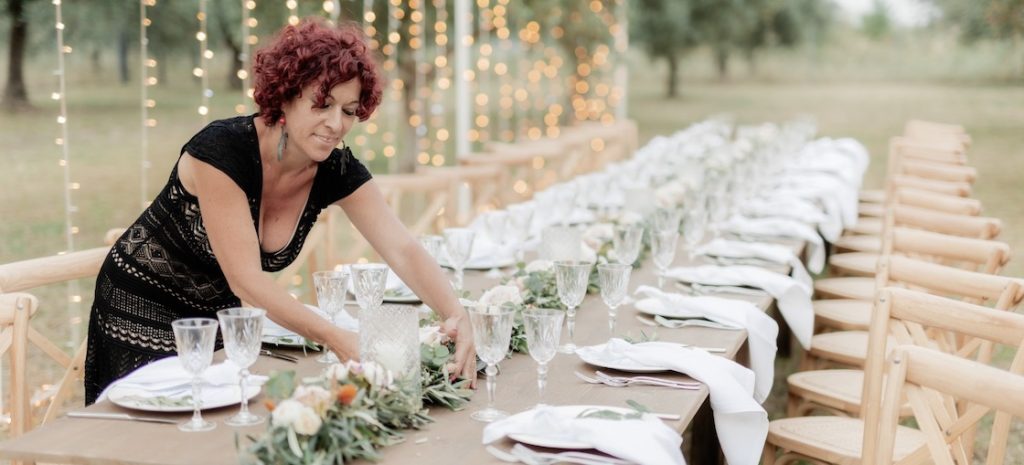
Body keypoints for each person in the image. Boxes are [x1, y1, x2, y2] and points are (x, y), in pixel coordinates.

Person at [84, 20, 475, 404]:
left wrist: (456, 314)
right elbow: (246, 282)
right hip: (139, 310)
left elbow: (403, 248)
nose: (336, 124)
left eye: (350, 111)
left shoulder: (335, 170)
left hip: (219, 325)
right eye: (322, 104)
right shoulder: (221, 152)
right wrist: (336, 337)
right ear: (285, 96)